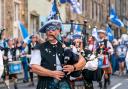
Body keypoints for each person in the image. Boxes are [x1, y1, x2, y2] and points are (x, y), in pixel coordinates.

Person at [30, 20, 86, 89]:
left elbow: (83, 61)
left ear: (59, 31)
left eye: (53, 29)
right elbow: (34, 68)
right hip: (45, 85)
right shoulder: (39, 48)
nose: (50, 31)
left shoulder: (68, 46)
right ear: (46, 32)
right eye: (48, 29)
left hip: (64, 84)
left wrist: (73, 67)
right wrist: (51, 73)